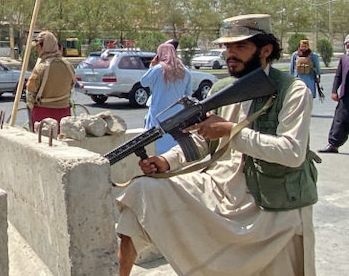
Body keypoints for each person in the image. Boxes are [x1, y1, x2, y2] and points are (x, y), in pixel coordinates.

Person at [116, 14, 317, 276]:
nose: (230, 54)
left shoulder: (293, 91)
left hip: (272, 200)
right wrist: (167, 160)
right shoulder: (223, 89)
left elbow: (292, 152)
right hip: (221, 188)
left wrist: (230, 131)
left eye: (240, 47)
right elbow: (202, 138)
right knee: (141, 192)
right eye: (227, 48)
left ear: (265, 50)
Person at [141, 42, 192, 153]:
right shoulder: (185, 71)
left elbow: (144, 82)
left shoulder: (158, 69)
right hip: (177, 112)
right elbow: (188, 94)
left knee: (157, 139)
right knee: (174, 139)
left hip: (158, 112)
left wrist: (152, 66)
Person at [25, 31, 76, 130]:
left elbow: (30, 93)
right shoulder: (68, 66)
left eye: (38, 46)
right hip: (65, 114)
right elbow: (72, 85)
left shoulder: (41, 68)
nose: (36, 49)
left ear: (43, 46)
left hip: (43, 115)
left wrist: (31, 105)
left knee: (44, 142)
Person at [319, 34, 349, 154]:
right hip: (345, 96)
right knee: (340, 120)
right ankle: (333, 145)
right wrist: (334, 91)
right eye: (347, 43)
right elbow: (338, 75)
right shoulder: (344, 58)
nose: (348, 45)